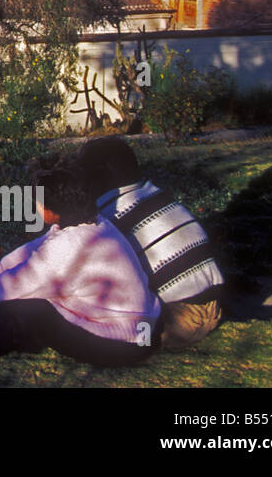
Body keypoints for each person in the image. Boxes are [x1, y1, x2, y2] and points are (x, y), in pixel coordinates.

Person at [0, 164, 160, 367]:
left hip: (128, 343)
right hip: (145, 332)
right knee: (32, 298)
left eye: (38, 202)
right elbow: (30, 250)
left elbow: (17, 284)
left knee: (19, 306)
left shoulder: (68, 246)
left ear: (51, 207)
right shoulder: (95, 223)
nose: (36, 206)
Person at [74, 136, 224, 349]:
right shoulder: (154, 195)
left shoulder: (111, 213)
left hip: (177, 318)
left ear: (99, 176)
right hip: (212, 306)